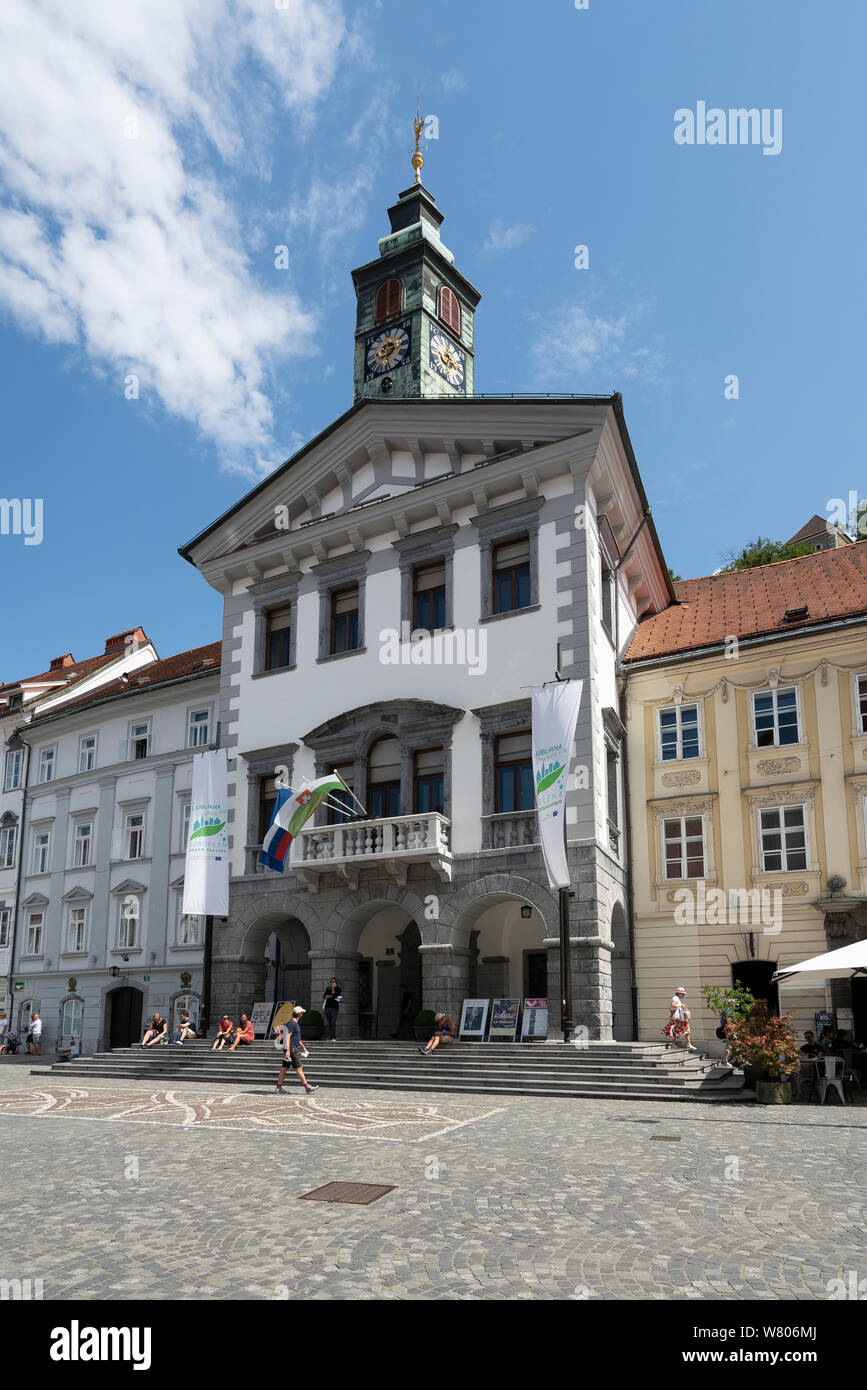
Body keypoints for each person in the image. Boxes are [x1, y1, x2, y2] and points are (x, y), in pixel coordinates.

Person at [275, 1005, 318, 1094]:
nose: (302, 1014)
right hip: (291, 1049)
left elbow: (296, 1038)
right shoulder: (291, 1023)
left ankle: (278, 1087)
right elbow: (287, 1036)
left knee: (284, 1068)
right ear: (299, 1014)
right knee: (299, 1068)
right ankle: (307, 1087)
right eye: (302, 1013)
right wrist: (287, 1051)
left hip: (292, 1048)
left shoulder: (294, 1023)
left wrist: (303, 1047)